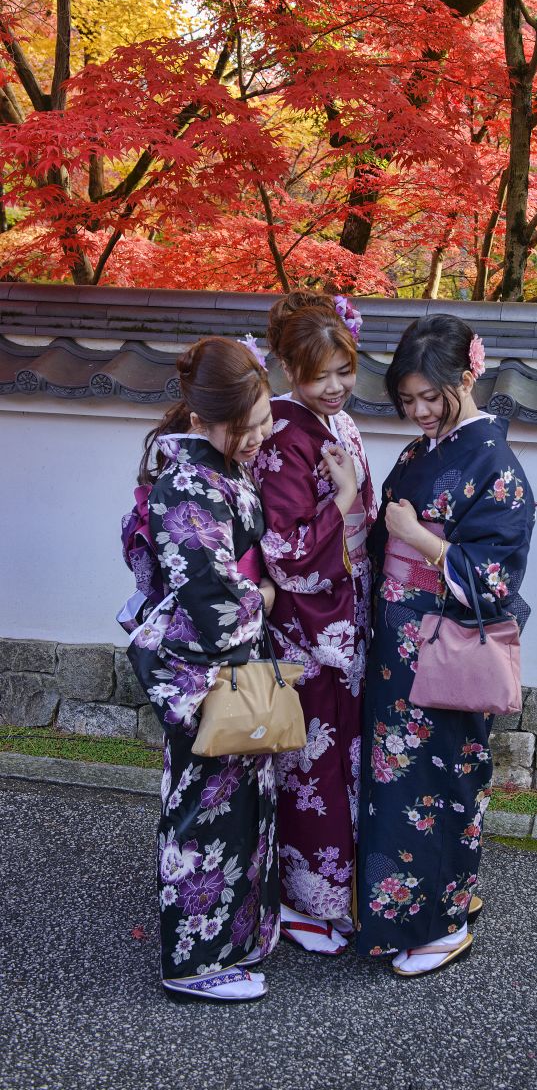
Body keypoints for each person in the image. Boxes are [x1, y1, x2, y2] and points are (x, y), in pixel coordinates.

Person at [356, 314, 535, 976]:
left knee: (447, 783)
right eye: (408, 400)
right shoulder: (417, 455)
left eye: (432, 397)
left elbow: (495, 578)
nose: (420, 411)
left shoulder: (497, 466)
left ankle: (445, 921)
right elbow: (381, 540)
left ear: (467, 376)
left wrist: (424, 540)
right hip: (397, 650)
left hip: (446, 647)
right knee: (395, 788)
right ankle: (402, 908)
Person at [120, 336, 279, 1002]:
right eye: (248, 428)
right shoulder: (185, 484)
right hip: (203, 668)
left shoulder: (215, 469)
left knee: (238, 810)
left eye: (264, 421)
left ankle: (232, 942)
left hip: (232, 666)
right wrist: (265, 596)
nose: (258, 438)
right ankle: (191, 964)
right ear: (205, 418)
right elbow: (211, 604)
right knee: (201, 817)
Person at [253, 291, 376, 955]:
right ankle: (305, 901)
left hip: (347, 614)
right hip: (311, 625)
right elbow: (289, 550)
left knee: (341, 759)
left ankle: (336, 894)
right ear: (287, 368)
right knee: (310, 764)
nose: (334, 387)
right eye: (318, 375)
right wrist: (350, 500)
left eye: (343, 371)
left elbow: (364, 522)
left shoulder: (341, 423)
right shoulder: (281, 433)